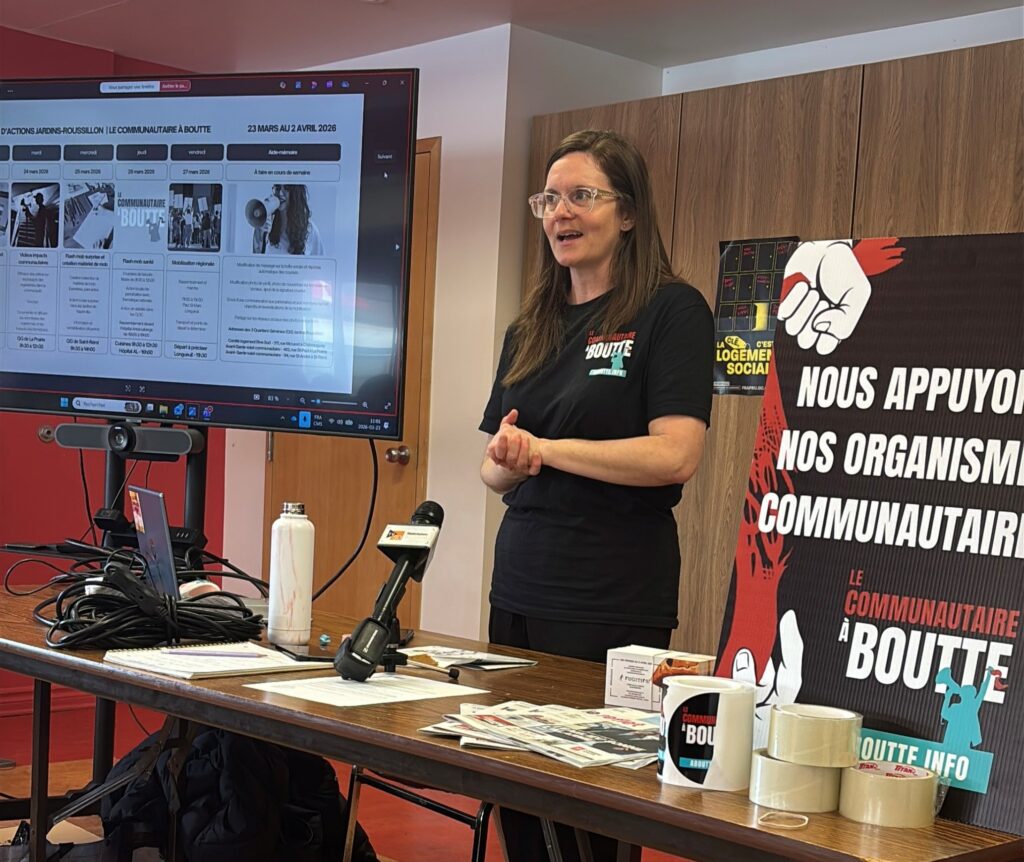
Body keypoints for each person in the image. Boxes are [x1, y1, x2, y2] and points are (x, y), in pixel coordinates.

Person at [479, 129, 713, 862]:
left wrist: (543, 450)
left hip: (611, 593)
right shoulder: (531, 326)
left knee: (595, 801)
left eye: (582, 195)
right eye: (549, 199)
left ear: (630, 213)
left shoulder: (671, 311)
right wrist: (513, 456)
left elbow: (675, 454)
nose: (560, 213)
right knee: (515, 782)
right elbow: (494, 471)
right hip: (521, 582)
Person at [252, 184, 324, 255]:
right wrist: (261, 237)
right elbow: (256, 261)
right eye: (278, 188)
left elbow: (321, 263)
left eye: (286, 188)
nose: (280, 193)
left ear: (295, 194)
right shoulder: (262, 227)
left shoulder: (310, 230)